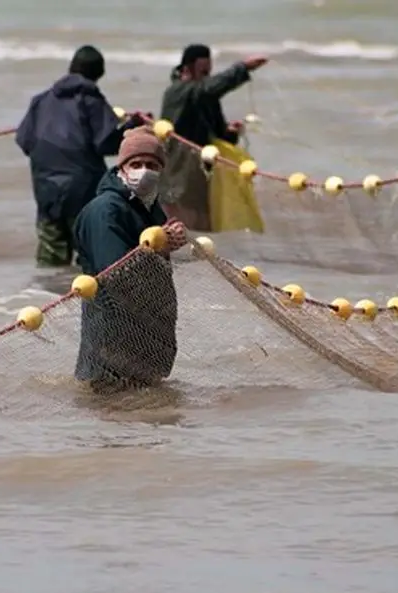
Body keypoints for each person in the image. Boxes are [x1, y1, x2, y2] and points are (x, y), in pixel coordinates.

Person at [73, 126, 188, 394]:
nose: (144, 170)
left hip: (144, 336)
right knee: (113, 415)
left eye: (152, 164)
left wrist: (168, 242)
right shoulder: (106, 211)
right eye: (136, 164)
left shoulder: (148, 207)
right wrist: (161, 246)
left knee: (144, 422)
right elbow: (115, 274)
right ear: (122, 168)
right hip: (112, 340)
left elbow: (148, 260)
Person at [16, 45, 153, 268]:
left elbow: (24, 141)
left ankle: (44, 297)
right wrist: (134, 125)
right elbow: (107, 143)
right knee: (89, 257)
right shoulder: (91, 100)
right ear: (98, 74)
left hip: (46, 193)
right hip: (83, 192)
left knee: (50, 260)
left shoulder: (40, 101)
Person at [158, 44, 268, 231]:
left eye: (209, 72)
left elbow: (220, 134)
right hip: (177, 175)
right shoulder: (177, 92)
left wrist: (231, 132)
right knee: (179, 230)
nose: (207, 77)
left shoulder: (205, 95)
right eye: (203, 72)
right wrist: (242, 68)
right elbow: (207, 88)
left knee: (203, 229)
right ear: (186, 68)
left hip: (203, 174)